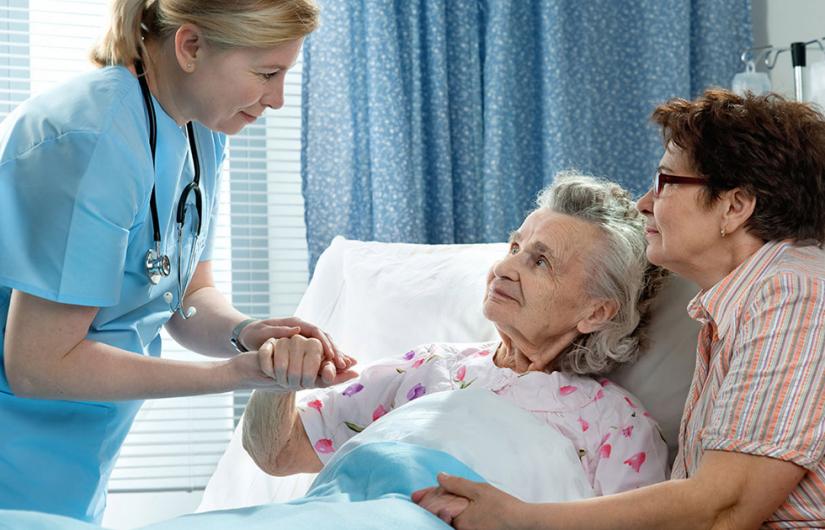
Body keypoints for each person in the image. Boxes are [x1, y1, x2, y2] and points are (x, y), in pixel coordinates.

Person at [0, 0, 356, 523]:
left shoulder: (199, 127)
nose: (278, 99)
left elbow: (184, 294)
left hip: (74, 459)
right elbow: (37, 365)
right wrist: (235, 376)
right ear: (190, 46)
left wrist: (249, 333)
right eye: (266, 73)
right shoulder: (93, 140)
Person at [414, 89, 825, 529]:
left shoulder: (794, 293)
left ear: (735, 206)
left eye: (666, 183)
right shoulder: (735, 305)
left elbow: (727, 507)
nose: (644, 204)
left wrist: (519, 519)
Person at [242, 173, 670, 501]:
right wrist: (278, 377)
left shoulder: (616, 424)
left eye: (540, 262)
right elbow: (278, 453)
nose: (506, 268)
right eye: (515, 247)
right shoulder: (431, 368)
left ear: (595, 311)